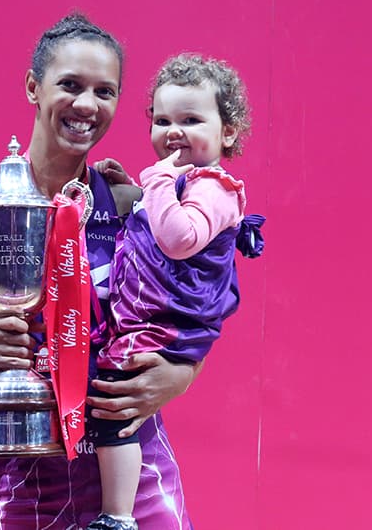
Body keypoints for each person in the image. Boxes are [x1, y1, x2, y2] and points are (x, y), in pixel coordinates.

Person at [0, 14, 201, 529]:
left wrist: (182, 374)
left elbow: (194, 314)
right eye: (71, 85)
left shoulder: (137, 208)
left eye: (105, 91)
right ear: (33, 87)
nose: (87, 105)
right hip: (27, 477)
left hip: (134, 475)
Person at [85, 54, 263, 530]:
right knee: (114, 402)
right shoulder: (182, 183)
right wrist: (131, 189)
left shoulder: (214, 187)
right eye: (162, 120)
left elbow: (179, 239)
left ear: (227, 132)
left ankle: (117, 516)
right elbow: (154, 218)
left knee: (116, 406)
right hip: (149, 313)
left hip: (166, 323)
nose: (173, 131)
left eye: (191, 119)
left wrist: (157, 180)